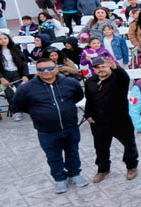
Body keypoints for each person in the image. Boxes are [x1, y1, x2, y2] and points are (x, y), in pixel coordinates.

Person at [13, 58, 86, 193]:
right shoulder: (27, 88)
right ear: (37, 71)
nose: (46, 71)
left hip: (70, 127)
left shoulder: (70, 83)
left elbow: (78, 96)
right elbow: (18, 104)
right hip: (47, 131)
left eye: (50, 68)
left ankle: (74, 174)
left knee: (72, 152)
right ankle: (59, 179)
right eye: (41, 69)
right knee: (53, 156)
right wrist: (38, 113)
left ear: (57, 69)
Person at [84, 58, 139, 183]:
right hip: (99, 122)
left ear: (109, 66)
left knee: (129, 145)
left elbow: (124, 77)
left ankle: (131, 166)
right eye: (97, 67)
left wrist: (116, 67)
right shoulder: (90, 82)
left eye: (104, 66)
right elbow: (89, 99)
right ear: (93, 69)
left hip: (120, 120)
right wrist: (88, 114)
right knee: (100, 147)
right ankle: (103, 169)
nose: (101, 69)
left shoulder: (118, 79)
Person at [0, 33, 29, 121]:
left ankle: (29, 108)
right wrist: (1, 78)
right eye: (0, 39)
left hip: (17, 74)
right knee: (9, 93)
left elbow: (24, 63)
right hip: (3, 75)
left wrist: (25, 75)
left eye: (5, 38)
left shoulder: (15, 49)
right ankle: (16, 111)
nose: (3, 40)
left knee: (23, 90)